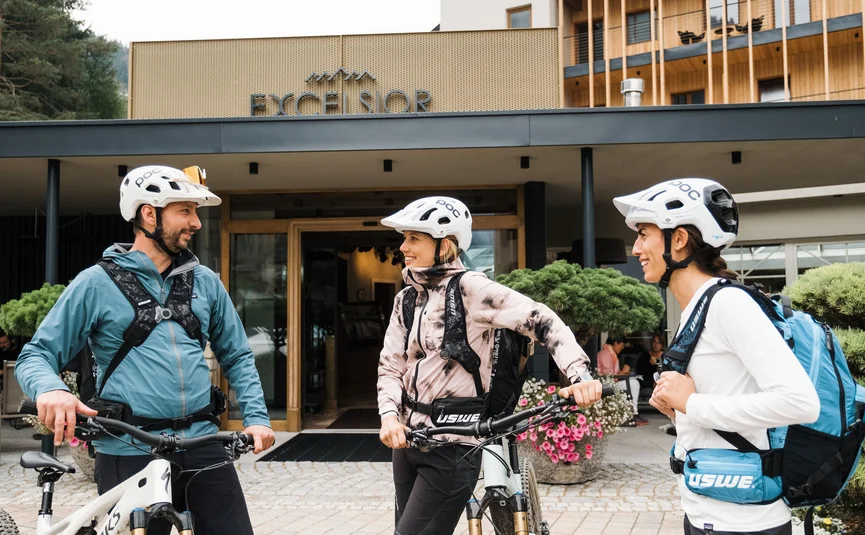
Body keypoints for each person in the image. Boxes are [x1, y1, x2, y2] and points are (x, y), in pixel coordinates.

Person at [15, 165, 274, 535]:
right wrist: (51, 389)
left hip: (202, 443)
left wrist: (258, 418)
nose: (196, 222)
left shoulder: (206, 282)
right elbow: (36, 355)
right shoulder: (96, 284)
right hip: (129, 449)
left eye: (195, 212)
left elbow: (236, 355)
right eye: (185, 211)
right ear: (149, 214)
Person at [376, 196, 604, 535]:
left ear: (444, 245)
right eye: (404, 238)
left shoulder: (471, 289)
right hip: (408, 442)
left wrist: (579, 374)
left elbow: (541, 319)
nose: (403, 247)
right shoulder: (407, 299)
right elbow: (391, 366)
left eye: (414, 238)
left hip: (454, 446)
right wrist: (389, 416)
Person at [613, 178, 820, 535]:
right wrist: (679, 412)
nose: (636, 248)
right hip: (704, 512)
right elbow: (717, 413)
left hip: (745, 523)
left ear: (679, 239)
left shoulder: (729, 304)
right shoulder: (697, 309)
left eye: (644, 234)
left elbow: (800, 402)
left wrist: (692, 403)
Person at [596, 335, 647, 426]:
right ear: (615, 343)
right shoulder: (605, 354)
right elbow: (609, 376)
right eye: (622, 345)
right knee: (634, 384)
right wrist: (623, 372)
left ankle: (632, 412)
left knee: (634, 381)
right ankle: (633, 413)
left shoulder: (611, 353)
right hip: (607, 385)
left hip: (614, 382)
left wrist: (624, 373)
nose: (622, 348)